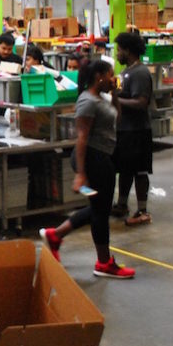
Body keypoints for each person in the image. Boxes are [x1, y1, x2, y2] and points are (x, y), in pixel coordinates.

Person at [39, 59, 135, 279]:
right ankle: (104, 263)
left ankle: (56, 235)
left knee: (98, 207)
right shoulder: (87, 102)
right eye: (111, 75)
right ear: (99, 76)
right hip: (92, 158)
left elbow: (117, 119)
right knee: (101, 211)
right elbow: (81, 138)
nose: (113, 79)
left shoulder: (103, 97)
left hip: (102, 156)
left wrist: (116, 94)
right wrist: (81, 174)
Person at [112, 31, 154, 226]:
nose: (117, 54)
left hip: (137, 131)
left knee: (139, 171)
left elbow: (141, 102)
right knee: (125, 169)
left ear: (128, 51)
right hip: (124, 129)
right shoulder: (127, 71)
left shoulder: (140, 73)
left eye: (119, 50)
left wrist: (115, 100)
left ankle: (143, 210)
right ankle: (122, 204)